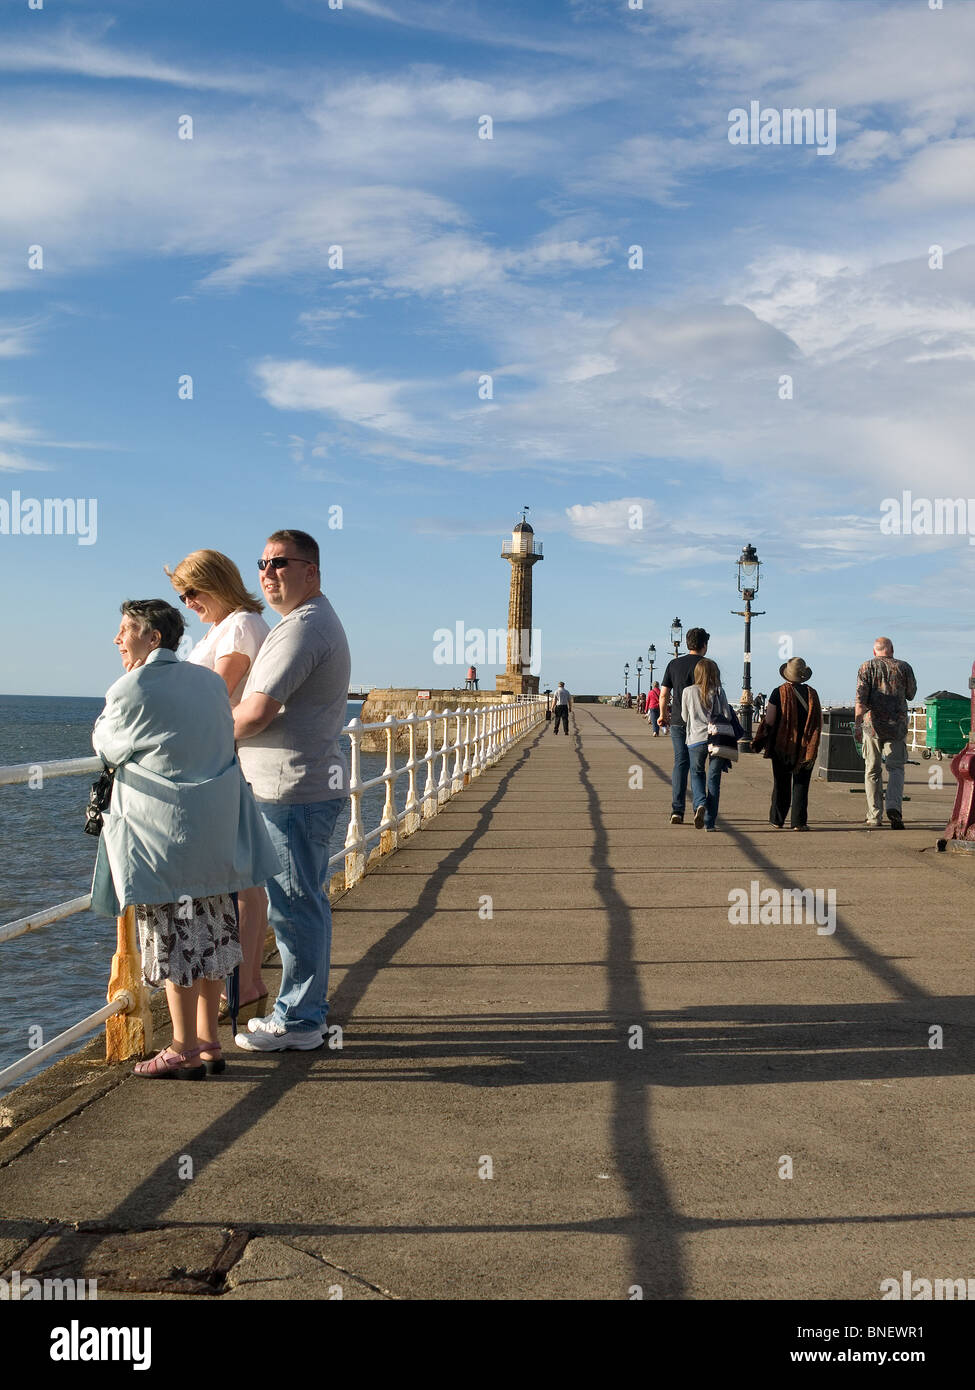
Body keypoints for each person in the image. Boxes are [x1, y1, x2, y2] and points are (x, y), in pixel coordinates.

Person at [90, 600, 280, 1079]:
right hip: (215, 830)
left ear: (153, 638)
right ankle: (211, 1044)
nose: (117, 640)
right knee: (213, 934)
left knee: (172, 941)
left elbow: (108, 745)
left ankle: (181, 1048)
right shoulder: (211, 683)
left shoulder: (132, 686)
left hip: (162, 836)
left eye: (125, 630)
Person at [233, 529, 351, 1051]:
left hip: (293, 790)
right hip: (298, 787)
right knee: (301, 902)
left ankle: (302, 1022)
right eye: (262, 562)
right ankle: (299, 1011)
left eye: (280, 562)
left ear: (312, 571)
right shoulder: (304, 622)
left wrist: (196, 734)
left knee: (296, 905)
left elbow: (257, 713)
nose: (267, 571)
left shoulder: (304, 628)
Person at [165, 549, 272, 1014]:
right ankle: (246, 982)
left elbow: (217, 690)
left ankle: (245, 981)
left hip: (232, 766)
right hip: (228, 763)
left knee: (245, 882)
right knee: (243, 879)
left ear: (218, 583)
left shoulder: (242, 625)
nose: (187, 601)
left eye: (193, 591)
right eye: (181, 594)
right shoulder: (224, 627)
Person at [854, 637, 917, 829]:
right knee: (896, 769)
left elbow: (860, 699)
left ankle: (874, 816)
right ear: (892, 650)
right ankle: (894, 808)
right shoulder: (904, 667)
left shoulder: (866, 667)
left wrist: (857, 725)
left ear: (875, 652)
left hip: (872, 726)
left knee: (872, 769)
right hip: (896, 725)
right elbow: (911, 694)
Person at [753, 659, 822, 831]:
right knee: (801, 784)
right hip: (806, 746)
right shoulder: (812, 693)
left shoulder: (778, 692)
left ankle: (777, 820)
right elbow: (818, 720)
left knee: (781, 783)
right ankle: (799, 822)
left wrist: (761, 737)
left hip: (783, 745)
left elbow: (769, 719)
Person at [658, 628, 710, 824]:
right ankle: (699, 804)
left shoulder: (674, 664)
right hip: (702, 723)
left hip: (679, 721)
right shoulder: (708, 666)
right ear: (704, 645)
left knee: (680, 763)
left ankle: (677, 811)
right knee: (698, 767)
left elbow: (664, 695)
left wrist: (663, 716)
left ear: (688, 643)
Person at [681, 657, 733, 831]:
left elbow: (684, 717)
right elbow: (728, 715)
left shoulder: (688, 691)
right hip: (717, 739)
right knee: (714, 780)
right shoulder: (719, 691)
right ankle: (710, 823)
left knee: (696, 774)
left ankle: (700, 803)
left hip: (696, 739)